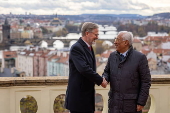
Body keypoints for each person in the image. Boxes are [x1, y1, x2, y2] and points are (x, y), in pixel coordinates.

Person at [103, 31, 151, 113]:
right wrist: (105, 78)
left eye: (117, 39)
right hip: (114, 104)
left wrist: (141, 102)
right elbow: (106, 72)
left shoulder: (140, 58)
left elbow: (146, 81)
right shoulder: (112, 56)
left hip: (131, 105)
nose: (115, 42)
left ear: (126, 42)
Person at [65, 22, 107, 113]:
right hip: (78, 98)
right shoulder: (76, 48)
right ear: (87, 33)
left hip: (87, 98)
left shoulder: (89, 47)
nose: (97, 37)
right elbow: (83, 69)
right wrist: (100, 80)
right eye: (96, 34)